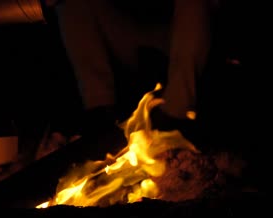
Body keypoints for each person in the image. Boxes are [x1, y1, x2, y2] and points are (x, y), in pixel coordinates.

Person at [45, 0, 217, 138]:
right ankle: (101, 115)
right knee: (71, 4)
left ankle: (175, 112)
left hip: (181, 33)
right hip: (129, 30)